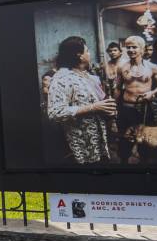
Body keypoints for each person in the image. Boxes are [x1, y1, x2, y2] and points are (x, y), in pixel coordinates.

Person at [46, 36, 115, 164]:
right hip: (81, 145)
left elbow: (98, 101)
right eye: (87, 51)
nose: (90, 54)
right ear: (80, 55)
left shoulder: (86, 75)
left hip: (98, 141)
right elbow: (54, 112)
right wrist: (93, 108)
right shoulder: (62, 78)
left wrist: (107, 110)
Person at [115, 35, 157, 162]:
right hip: (126, 108)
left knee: (145, 140)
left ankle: (144, 164)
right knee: (125, 141)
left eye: (134, 47)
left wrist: (152, 93)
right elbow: (118, 88)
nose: (131, 50)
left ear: (142, 49)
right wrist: (115, 107)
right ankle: (124, 163)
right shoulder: (121, 67)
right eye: (128, 47)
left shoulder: (152, 67)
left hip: (145, 109)